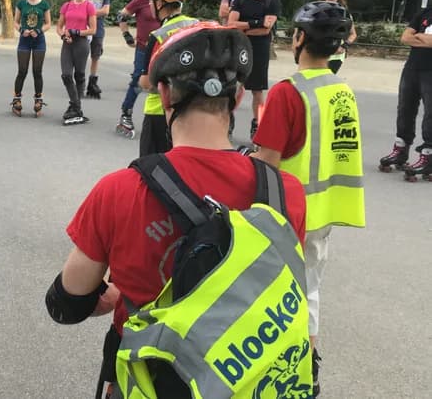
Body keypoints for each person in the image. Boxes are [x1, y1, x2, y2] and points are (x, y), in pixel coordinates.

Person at [46, 24, 308, 398]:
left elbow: (67, 303)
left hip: (151, 380)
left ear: (165, 95)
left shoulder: (119, 191)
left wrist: (120, 294)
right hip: (249, 380)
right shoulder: (287, 194)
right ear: (236, 100)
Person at [253, 1, 365, 396]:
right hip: (329, 209)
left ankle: (277, 368)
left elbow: (267, 160)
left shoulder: (288, 92)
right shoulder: (342, 90)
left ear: (299, 38)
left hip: (290, 211)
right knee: (309, 289)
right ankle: (308, 365)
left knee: (274, 294)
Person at [136, 0, 198, 156]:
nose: (149, 5)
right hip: (191, 109)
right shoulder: (196, 25)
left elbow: (147, 83)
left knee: (151, 168)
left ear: (161, 3)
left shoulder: (159, 35)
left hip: (159, 112)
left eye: (151, 1)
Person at [115, 0, 175, 138]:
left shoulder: (171, 1)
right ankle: (126, 113)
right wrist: (127, 35)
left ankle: (168, 118)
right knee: (138, 80)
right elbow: (122, 15)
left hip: (164, 47)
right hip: (144, 47)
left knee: (166, 82)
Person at [378, 0, 432, 176]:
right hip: (412, 68)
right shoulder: (424, 13)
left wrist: (419, 37)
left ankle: (428, 155)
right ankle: (401, 149)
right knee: (405, 110)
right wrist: (424, 39)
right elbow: (405, 37)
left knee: (430, 115)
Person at [227, 0, 281, 139]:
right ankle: (227, 119)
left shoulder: (272, 1)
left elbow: (267, 29)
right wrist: (255, 23)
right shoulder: (240, 1)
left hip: (260, 49)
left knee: (257, 91)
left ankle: (259, 125)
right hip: (240, 48)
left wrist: (244, 26)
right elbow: (231, 24)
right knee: (234, 86)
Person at [56, 0, 97, 125]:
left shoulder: (89, 6)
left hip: (81, 43)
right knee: (66, 75)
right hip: (68, 43)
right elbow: (59, 27)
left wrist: (78, 32)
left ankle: (74, 106)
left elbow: (93, 29)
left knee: (79, 75)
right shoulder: (66, 5)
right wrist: (63, 35)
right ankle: (76, 107)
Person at [11, 0, 51, 117]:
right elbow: (15, 22)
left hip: (39, 41)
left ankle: (38, 99)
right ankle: (16, 99)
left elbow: (48, 24)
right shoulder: (21, 3)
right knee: (22, 71)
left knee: (37, 71)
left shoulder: (44, 4)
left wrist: (39, 31)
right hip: (24, 41)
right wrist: (22, 30)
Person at [317, 0, 358, 74]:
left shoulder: (345, 14)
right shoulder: (318, 12)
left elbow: (353, 34)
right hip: (320, 51)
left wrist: (344, 46)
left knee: (326, 79)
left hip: (336, 54)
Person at [84, 0, 110, 99]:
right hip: (84, 28)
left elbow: (106, 11)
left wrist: (89, 12)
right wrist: (95, 12)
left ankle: (92, 82)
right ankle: (80, 81)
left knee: (95, 56)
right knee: (82, 55)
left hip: (98, 30)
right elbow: (78, 8)